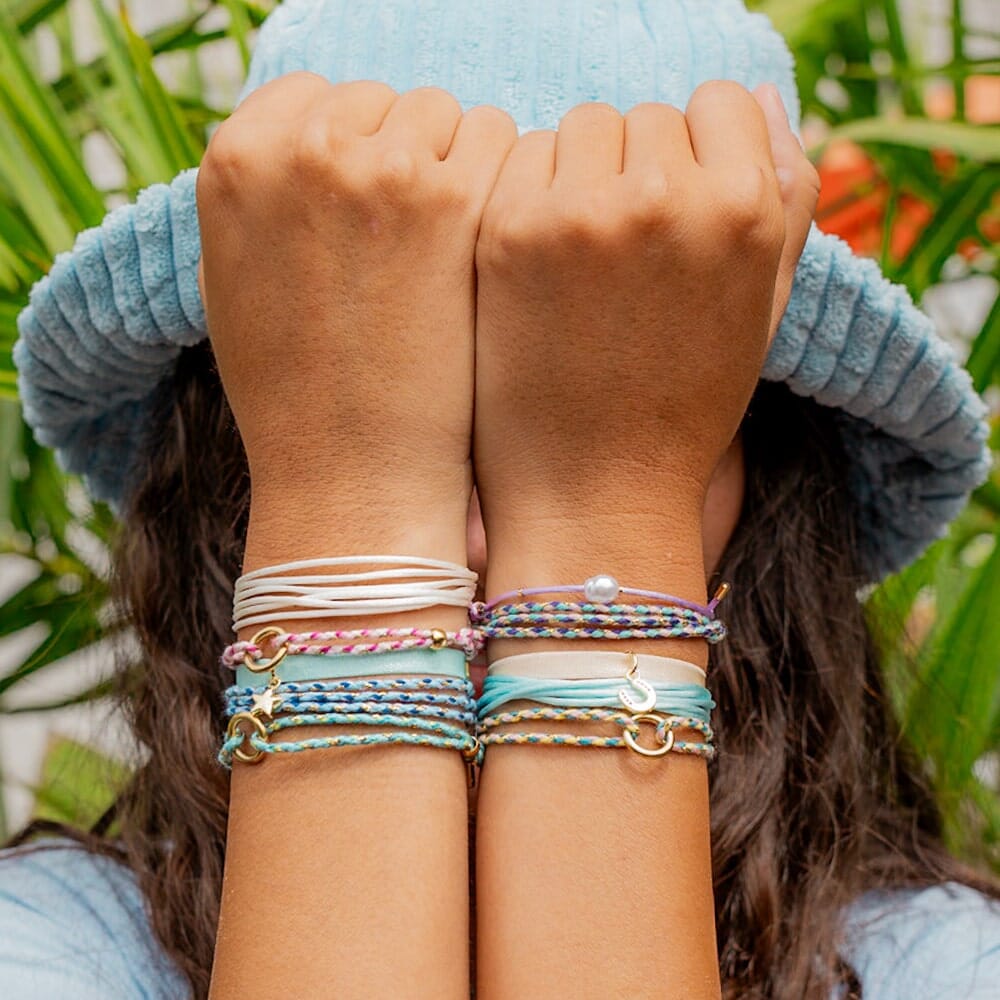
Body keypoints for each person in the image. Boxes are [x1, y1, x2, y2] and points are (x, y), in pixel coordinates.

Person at [2, 2, 998, 998]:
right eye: (385, 420)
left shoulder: (946, 967)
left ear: (770, 484)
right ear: (242, 454)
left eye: (615, 428)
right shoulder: (41, 946)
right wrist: (363, 509)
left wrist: (593, 523)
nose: (480, 539)